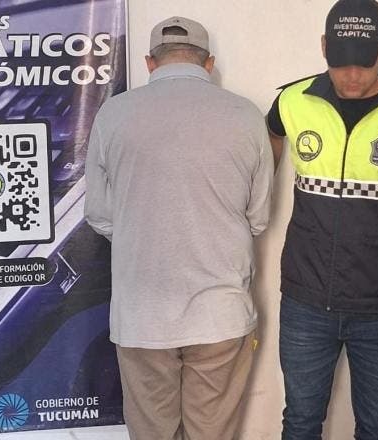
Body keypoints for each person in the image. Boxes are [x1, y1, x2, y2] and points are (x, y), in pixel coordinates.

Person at [266, 0, 378, 438]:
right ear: (324, 47)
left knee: (377, 427)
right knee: (300, 423)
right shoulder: (292, 102)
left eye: (364, 64)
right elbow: (262, 156)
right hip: (307, 300)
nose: (352, 76)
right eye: (340, 63)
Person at [84, 16, 273, 440]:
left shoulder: (113, 115)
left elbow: (98, 214)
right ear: (209, 64)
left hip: (141, 317)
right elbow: (259, 217)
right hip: (221, 315)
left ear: (150, 63)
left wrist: (142, 232)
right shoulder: (246, 115)